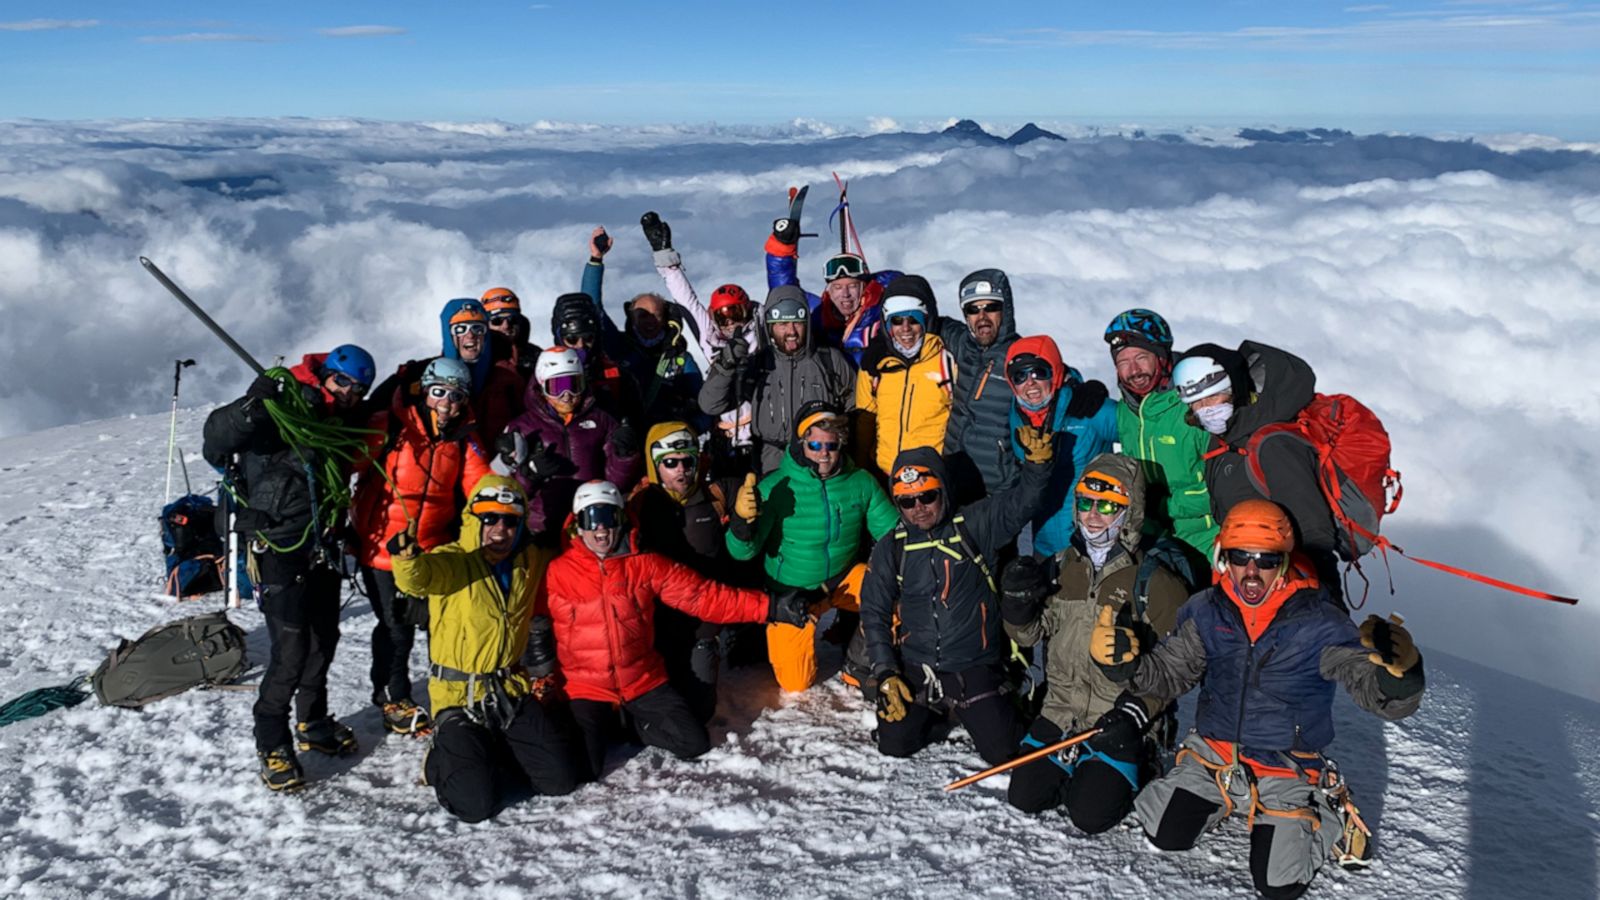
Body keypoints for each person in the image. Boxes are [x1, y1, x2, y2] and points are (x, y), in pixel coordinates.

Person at [1099, 499, 1425, 898]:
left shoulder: (1319, 621)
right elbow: (1169, 673)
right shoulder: (1206, 610)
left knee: (1278, 885)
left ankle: (1329, 813)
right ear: (1224, 556)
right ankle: (1224, 800)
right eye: (1241, 556)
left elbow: (1371, 688)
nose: (1252, 571)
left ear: (1284, 561)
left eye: (1266, 560)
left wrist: (1401, 679)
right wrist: (1125, 667)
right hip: (1215, 754)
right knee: (1163, 830)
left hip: (1284, 764)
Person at [539, 481, 810, 780]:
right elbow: (527, 623)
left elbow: (703, 595)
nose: (601, 529)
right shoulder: (557, 572)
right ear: (578, 524)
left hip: (640, 680)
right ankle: (601, 725)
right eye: (591, 518)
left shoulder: (644, 563)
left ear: (622, 518)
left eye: (609, 516)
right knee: (585, 770)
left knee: (692, 741)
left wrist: (771, 608)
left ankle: (626, 725)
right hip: (585, 687)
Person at [202, 344, 375, 791]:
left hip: (322, 544)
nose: (349, 394)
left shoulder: (343, 423)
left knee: (324, 641)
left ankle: (312, 721)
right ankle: (271, 741)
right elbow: (216, 440)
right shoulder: (280, 406)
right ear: (325, 375)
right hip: (277, 546)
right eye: (342, 382)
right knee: (291, 651)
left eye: (359, 389)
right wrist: (253, 404)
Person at [999, 453, 1190, 831]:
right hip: (1061, 711)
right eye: (1085, 503)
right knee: (1024, 796)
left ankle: (1141, 761)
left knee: (1089, 816)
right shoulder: (1060, 565)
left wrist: (1138, 711)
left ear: (1129, 512)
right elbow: (1030, 634)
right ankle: (1078, 767)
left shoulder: (1155, 581)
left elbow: (1182, 665)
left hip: (1118, 719)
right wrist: (1017, 608)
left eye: (1107, 506)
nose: (1093, 515)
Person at [387, 474, 584, 823]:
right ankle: (442, 758)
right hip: (458, 694)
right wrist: (406, 559)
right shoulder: (454, 561)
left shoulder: (529, 561)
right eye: (489, 518)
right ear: (472, 518)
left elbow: (568, 552)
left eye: (510, 520)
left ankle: (485, 752)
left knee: (560, 780)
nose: (499, 528)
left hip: (508, 690)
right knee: (475, 806)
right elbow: (419, 577)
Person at [859, 430, 1054, 765]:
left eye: (927, 497)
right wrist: (886, 672)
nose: (918, 508)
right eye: (907, 501)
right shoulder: (891, 547)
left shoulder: (974, 524)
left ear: (944, 491)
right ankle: (935, 712)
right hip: (917, 666)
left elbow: (1023, 502)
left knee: (1004, 751)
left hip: (974, 664)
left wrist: (1038, 466)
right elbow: (874, 611)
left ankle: (993, 703)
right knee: (894, 743)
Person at [351, 357, 491, 737]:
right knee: (396, 627)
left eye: (456, 396)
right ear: (423, 391)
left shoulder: (464, 437)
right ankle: (392, 696)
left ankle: (446, 689)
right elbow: (349, 463)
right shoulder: (392, 425)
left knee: (439, 624)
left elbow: (481, 487)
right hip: (382, 547)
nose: (447, 403)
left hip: (432, 547)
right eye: (438, 393)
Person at [726, 402, 899, 693]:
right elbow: (743, 552)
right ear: (800, 443)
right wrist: (741, 522)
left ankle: (859, 660)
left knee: (894, 600)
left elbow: (894, 535)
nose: (823, 453)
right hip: (793, 594)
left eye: (831, 445)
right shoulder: (776, 486)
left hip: (843, 580)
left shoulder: (860, 482)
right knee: (796, 683)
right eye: (815, 443)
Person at [1170, 341, 1340, 597]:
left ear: (1235, 389)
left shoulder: (1272, 445)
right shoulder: (1224, 441)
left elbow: (1315, 534)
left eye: (1213, 397)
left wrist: (1314, 599)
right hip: (1246, 582)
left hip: (1287, 590)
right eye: (1197, 402)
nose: (1206, 409)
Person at [626, 421, 759, 721]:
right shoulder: (640, 504)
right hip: (657, 631)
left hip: (703, 627)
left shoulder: (716, 495)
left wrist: (743, 522)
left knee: (700, 712)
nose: (681, 470)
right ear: (655, 464)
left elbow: (746, 547)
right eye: (670, 463)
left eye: (688, 461)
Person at [639, 212, 760, 472]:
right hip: (726, 440)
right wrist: (664, 256)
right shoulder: (712, 338)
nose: (730, 324)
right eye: (722, 317)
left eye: (736, 314)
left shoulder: (760, 334)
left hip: (763, 436)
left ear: (748, 311)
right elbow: (686, 301)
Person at [1105, 309, 1216, 581]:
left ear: (1162, 357)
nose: (1133, 371)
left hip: (1208, 545)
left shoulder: (1194, 404)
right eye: (1123, 362)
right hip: (1155, 544)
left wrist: (1162, 506)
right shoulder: (1125, 411)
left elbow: (1225, 483)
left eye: (1142, 358)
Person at [698, 284, 856, 476]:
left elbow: (855, 407)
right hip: (772, 466)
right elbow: (710, 405)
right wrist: (725, 364)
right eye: (782, 324)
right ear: (771, 326)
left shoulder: (830, 360)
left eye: (797, 323)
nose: (791, 331)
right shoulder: (758, 365)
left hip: (822, 463)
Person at [500, 347, 641, 540]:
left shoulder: (602, 421)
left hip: (591, 524)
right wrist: (530, 473)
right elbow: (508, 490)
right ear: (541, 386)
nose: (567, 394)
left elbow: (616, 484)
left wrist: (625, 456)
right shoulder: (523, 426)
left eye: (574, 384)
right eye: (557, 387)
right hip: (543, 526)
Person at [580, 226, 707, 430]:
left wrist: (688, 429)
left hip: (667, 449)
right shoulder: (618, 346)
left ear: (666, 319)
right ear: (631, 317)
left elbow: (704, 406)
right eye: (642, 316)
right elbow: (591, 307)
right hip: (626, 441)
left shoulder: (680, 359)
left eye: (656, 316)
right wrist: (596, 260)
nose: (649, 322)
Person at [1004, 336, 1118, 558]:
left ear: (1055, 372)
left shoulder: (1088, 408)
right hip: (1042, 546)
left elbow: (1141, 429)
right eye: (1020, 376)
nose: (1030, 383)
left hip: (1092, 545)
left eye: (1039, 372)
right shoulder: (1016, 416)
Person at [368, 298, 525, 449]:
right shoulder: (417, 374)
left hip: (491, 469)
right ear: (448, 334)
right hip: (431, 467)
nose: (470, 335)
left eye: (478, 328)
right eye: (460, 329)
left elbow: (531, 420)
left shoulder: (508, 379)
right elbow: (370, 412)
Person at [764, 198, 899, 364]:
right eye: (837, 287)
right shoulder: (820, 314)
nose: (845, 294)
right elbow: (784, 291)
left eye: (852, 286)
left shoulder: (881, 313)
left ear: (864, 288)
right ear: (828, 289)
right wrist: (782, 246)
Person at [855, 275, 957, 478]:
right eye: (897, 321)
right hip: (885, 472)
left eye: (914, 320)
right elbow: (864, 422)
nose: (905, 329)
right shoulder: (876, 365)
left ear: (926, 321)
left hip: (932, 475)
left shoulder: (946, 362)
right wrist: (861, 468)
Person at [939, 269, 1023, 503]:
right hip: (953, 480)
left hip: (996, 491)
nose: (982, 317)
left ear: (1005, 310)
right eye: (973, 309)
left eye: (991, 307)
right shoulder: (962, 343)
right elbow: (924, 318)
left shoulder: (1019, 355)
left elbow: (1056, 373)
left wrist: (1086, 387)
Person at [548, 286, 642, 422]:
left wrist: (625, 434)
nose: (580, 345)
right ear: (559, 338)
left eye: (588, 338)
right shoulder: (544, 376)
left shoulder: (617, 376)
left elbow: (637, 420)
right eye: (572, 339)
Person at [481, 286, 539, 381]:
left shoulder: (536, 357)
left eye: (512, 320)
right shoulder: (478, 358)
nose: (506, 326)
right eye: (497, 321)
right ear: (486, 324)